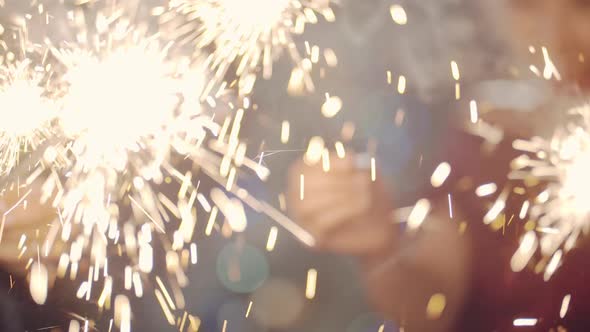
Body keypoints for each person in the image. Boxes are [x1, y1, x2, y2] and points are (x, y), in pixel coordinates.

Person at [287, 0, 590, 331]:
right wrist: (381, 251)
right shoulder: (487, 140)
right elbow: (430, 304)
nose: (554, 37)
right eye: (525, 5)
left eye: (583, 6)